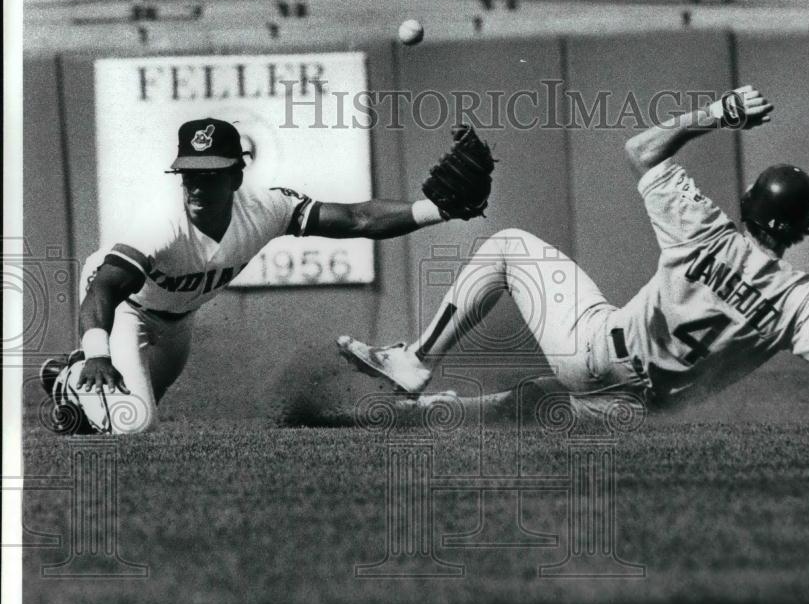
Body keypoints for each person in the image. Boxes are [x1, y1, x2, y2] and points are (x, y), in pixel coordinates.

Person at [338, 86, 809, 423]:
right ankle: (413, 419)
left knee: (508, 248)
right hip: (635, 412)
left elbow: (643, 149)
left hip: (597, 356)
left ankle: (417, 363)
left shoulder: (706, 230)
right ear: (802, 228)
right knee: (530, 404)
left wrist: (718, 113)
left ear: (749, 202)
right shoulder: (800, 301)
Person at [40, 119, 494, 434]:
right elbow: (105, 286)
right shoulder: (161, 224)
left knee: (130, 406)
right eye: (189, 175)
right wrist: (99, 352)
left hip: (180, 321)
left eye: (211, 175)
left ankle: (79, 397)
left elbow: (356, 218)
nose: (198, 187)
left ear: (237, 176)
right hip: (128, 312)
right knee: (133, 423)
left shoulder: (265, 208)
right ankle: (74, 374)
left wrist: (437, 210)